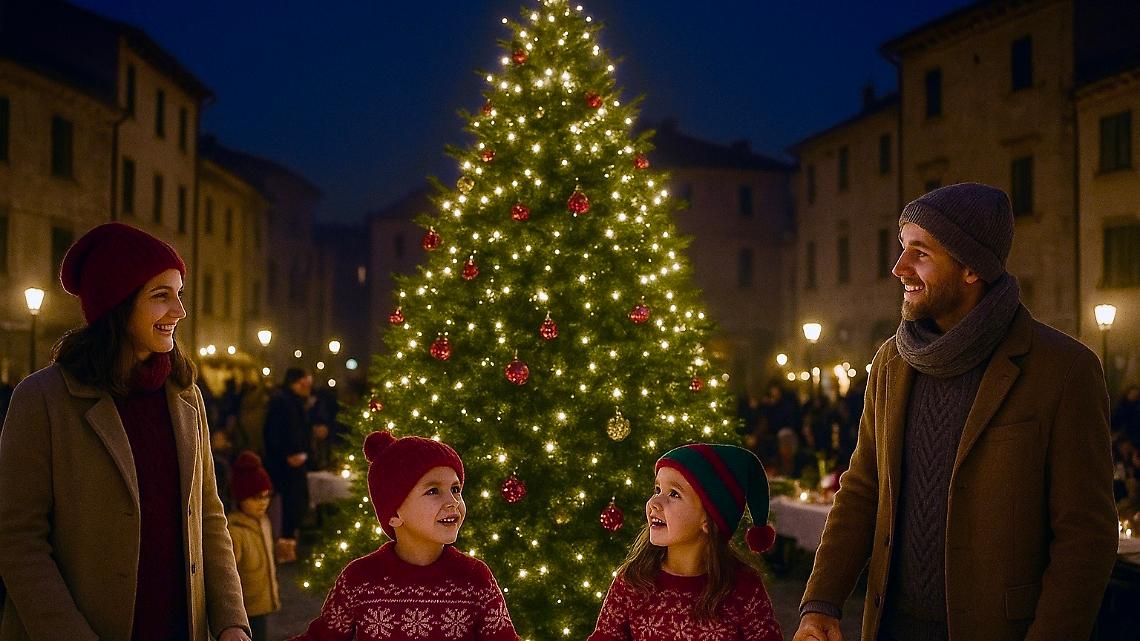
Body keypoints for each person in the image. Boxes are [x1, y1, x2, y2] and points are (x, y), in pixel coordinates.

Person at [794, 183, 1118, 641]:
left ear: (971, 268)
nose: (898, 268)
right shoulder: (891, 360)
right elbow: (864, 488)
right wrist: (821, 601)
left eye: (919, 253)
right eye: (902, 248)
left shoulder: (1064, 369)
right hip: (890, 628)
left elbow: (1086, 538)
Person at [0, 222, 249, 640]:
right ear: (118, 304)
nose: (179, 311)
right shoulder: (42, 399)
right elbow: (18, 540)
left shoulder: (186, 397)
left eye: (179, 294)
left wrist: (230, 622)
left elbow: (209, 514)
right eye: (160, 296)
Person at [290, 431, 520, 640]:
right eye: (433, 491)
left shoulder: (475, 579)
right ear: (394, 515)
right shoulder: (360, 579)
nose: (452, 502)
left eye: (455, 489)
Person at [587, 443, 782, 640]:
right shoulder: (632, 581)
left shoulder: (744, 588)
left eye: (674, 494)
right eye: (657, 490)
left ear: (708, 518)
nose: (653, 503)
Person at [227, 451, 280, 641]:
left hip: (262, 604)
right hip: (244, 610)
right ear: (241, 498)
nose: (263, 503)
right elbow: (228, 575)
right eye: (257, 497)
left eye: (267, 496)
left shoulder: (263, 522)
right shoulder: (235, 531)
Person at [263, 367, 313, 548]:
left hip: (294, 462)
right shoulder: (282, 402)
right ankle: (284, 547)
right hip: (283, 465)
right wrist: (286, 456)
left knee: (293, 507)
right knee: (285, 509)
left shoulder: (295, 401)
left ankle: (288, 545)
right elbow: (273, 433)